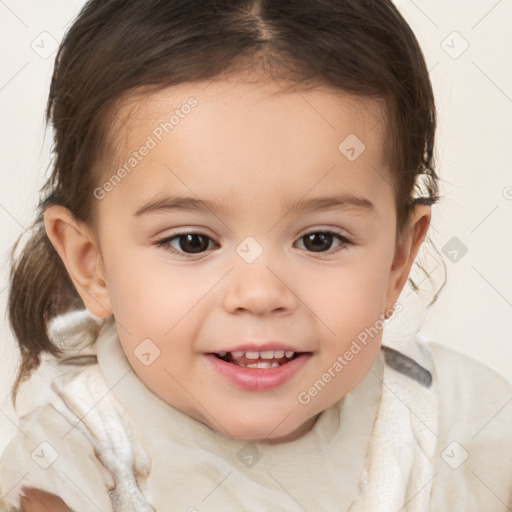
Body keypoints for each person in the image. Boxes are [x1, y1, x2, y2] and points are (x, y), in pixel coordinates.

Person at [1, 0, 511, 510]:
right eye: (192, 242)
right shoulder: (67, 472)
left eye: (320, 240)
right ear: (92, 264)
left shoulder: (466, 428)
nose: (260, 293)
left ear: (399, 260)